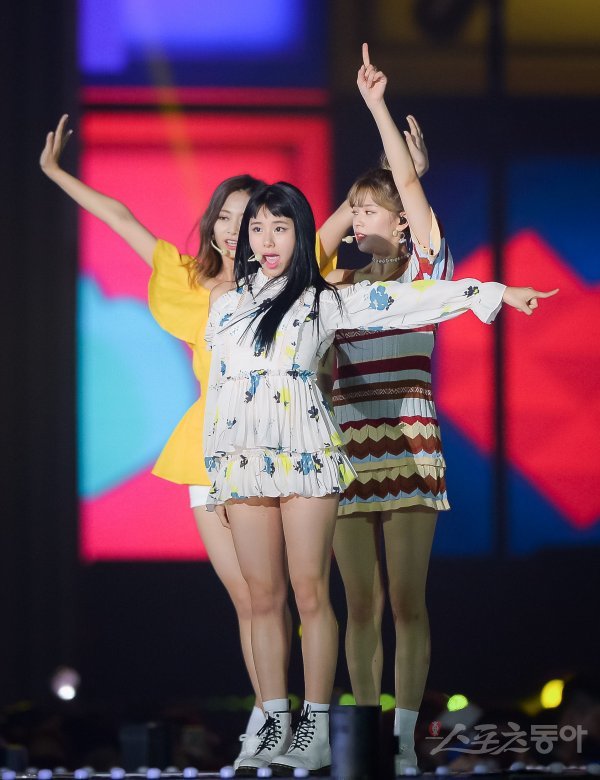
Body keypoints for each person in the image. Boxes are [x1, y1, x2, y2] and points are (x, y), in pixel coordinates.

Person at [203, 168, 556, 772]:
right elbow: (220, 391)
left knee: (311, 591)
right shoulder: (226, 306)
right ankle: (273, 722)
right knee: (263, 596)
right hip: (243, 463)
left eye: (280, 227)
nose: (264, 238)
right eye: (256, 228)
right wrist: (216, 470)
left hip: (308, 455)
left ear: (302, 234)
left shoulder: (324, 299)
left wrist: (494, 292)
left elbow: (412, 297)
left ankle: (317, 729)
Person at [38, 118, 337, 768]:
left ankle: (292, 723)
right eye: (225, 216)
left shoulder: (285, 282)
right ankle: (270, 715)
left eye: (248, 218)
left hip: (272, 446)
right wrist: (57, 173)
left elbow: (330, 229)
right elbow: (121, 218)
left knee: (285, 592)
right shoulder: (188, 279)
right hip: (205, 447)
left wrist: (392, 177)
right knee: (250, 597)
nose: (234, 229)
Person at [316, 46, 454, 774]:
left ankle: (402, 739)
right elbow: (309, 249)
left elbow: (404, 185)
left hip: (407, 446)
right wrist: (354, 209)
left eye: (370, 210)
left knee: (407, 603)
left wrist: (375, 105)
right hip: (346, 453)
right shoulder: (332, 289)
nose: (357, 219)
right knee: (359, 606)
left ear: (402, 224)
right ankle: (367, 736)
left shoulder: (427, 273)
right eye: (354, 210)